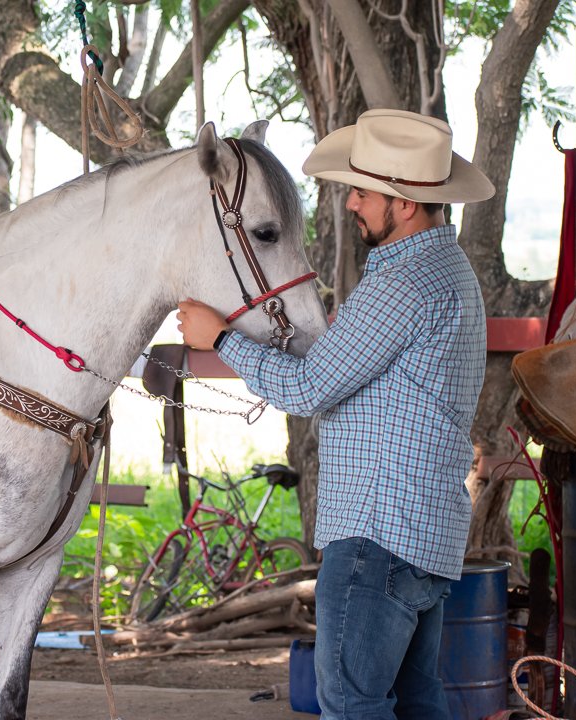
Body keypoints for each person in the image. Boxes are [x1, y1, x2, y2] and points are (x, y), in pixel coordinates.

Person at [177, 108, 495, 719]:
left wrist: (221, 338)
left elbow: (307, 388)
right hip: (422, 536)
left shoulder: (403, 283)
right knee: (417, 703)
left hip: (378, 534)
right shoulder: (450, 273)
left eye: (363, 192)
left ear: (404, 203)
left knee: (351, 705)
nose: (351, 204)